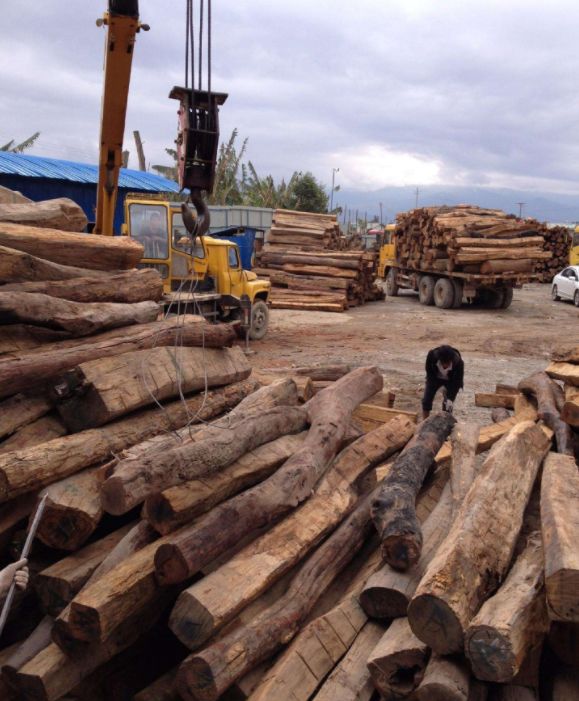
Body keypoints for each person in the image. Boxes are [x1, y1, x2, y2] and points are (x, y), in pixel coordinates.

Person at [422, 345, 464, 420]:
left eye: (447, 364)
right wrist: (431, 385)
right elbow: (429, 372)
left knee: (447, 404)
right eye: (443, 363)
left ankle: (445, 421)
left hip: (451, 381)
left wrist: (450, 398)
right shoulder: (432, 357)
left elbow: (457, 382)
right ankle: (424, 420)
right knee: (426, 400)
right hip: (434, 378)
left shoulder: (458, 363)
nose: (445, 366)